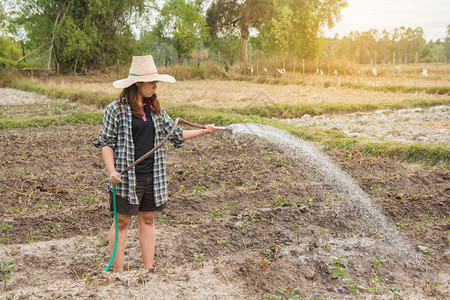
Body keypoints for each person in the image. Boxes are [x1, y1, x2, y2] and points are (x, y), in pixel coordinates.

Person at [93, 55, 216, 272]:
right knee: (122, 222)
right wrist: (111, 170)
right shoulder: (116, 109)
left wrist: (203, 131)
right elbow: (106, 143)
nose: (155, 86)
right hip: (126, 176)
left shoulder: (155, 109)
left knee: (148, 219)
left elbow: (175, 133)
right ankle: (118, 272)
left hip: (152, 175)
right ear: (138, 84)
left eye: (156, 82)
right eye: (152, 82)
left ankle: (149, 270)